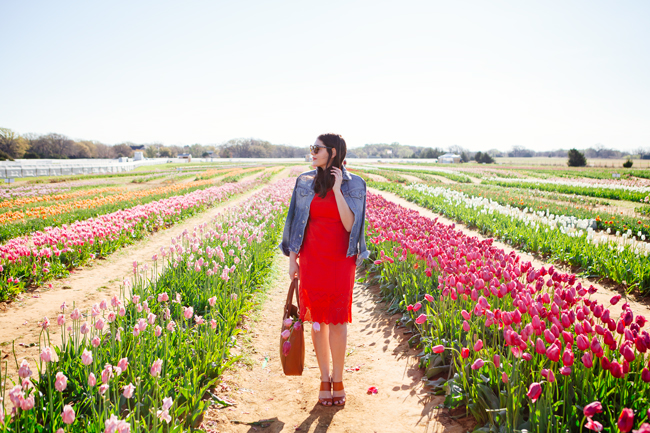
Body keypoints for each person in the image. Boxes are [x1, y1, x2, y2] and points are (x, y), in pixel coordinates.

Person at [279, 133, 368, 407]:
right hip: (313, 259)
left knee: (338, 321)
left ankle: (338, 379)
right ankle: (324, 378)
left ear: (332, 152)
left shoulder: (356, 185)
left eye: (316, 148)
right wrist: (293, 258)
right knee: (318, 321)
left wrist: (339, 189)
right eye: (312, 148)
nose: (312, 152)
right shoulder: (304, 182)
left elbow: (350, 225)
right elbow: (295, 222)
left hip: (341, 260)